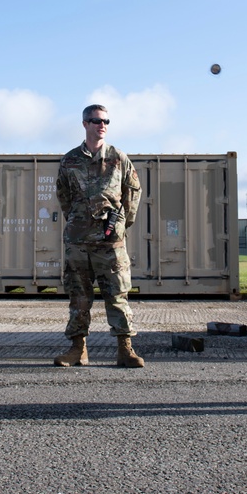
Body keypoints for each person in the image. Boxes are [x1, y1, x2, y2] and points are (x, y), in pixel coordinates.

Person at [54, 105, 144, 368]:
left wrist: (122, 223)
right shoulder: (69, 160)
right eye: (95, 120)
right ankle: (77, 349)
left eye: (105, 121)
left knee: (117, 294)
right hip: (78, 242)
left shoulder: (118, 157)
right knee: (78, 296)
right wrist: (78, 219)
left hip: (110, 243)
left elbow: (133, 192)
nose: (101, 124)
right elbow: (63, 195)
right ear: (85, 124)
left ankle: (125, 348)